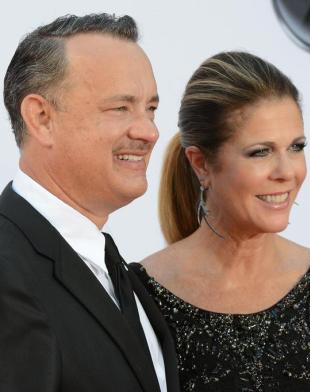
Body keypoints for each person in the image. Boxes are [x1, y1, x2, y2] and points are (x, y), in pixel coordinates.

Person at [131, 51, 310, 391]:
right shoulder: (137, 299)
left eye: (296, 147)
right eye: (260, 152)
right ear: (201, 164)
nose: (287, 172)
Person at [0, 14, 180, 392]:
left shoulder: (116, 269)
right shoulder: (6, 269)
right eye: (121, 108)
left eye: (150, 108)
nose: (149, 131)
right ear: (41, 118)